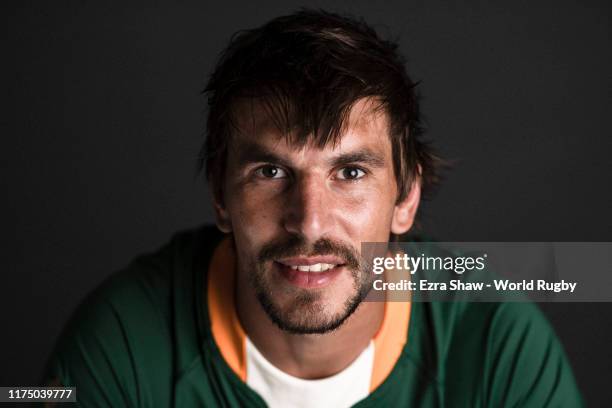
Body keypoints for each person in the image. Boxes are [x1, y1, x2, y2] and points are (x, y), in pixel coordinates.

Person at [45, 9, 584, 407]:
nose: (310, 221)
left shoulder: (497, 341)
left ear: (406, 198)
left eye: (350, 173)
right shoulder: (119, 340)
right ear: (220, 196)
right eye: (271, 172)